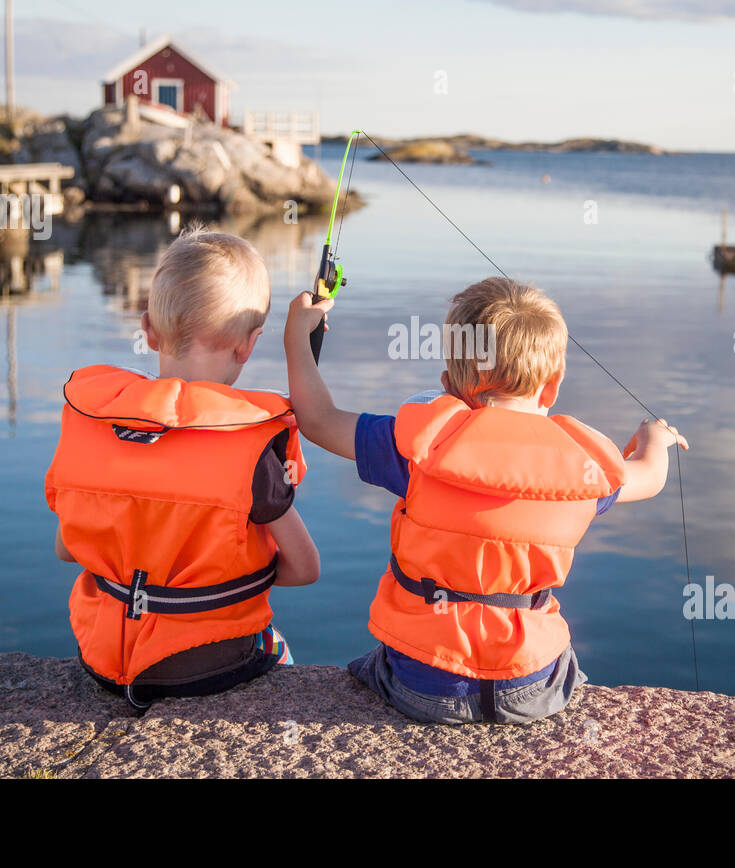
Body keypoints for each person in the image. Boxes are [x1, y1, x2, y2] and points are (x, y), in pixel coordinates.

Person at [283, 275, 687, 724]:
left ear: (449, 384)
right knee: (565, 661)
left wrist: (298, 336)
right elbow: (649, 477)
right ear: (551, 387)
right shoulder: (582, 468)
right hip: (532, 687)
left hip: (424, 684)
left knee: (367, 666)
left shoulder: (417, 448)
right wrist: (655, 437)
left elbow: (317, 420)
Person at [46, 228, 320, 712]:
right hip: (208, 663)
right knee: (280, 657)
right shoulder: (251, 448)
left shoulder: (93, 421)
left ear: (149, 329)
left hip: (104, 660)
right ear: (249, 345)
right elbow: (304, 569)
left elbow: (69, 549)